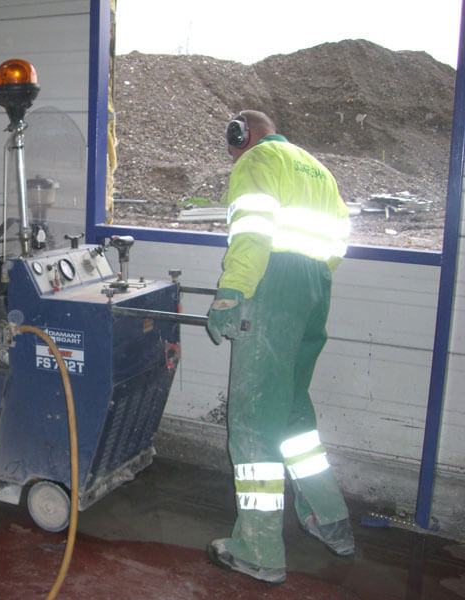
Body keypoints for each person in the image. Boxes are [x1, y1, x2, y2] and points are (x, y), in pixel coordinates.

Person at [205, 110, 354, 584]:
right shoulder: (317, 169)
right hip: (315, 288)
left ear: (241, 134)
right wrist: (309, 279)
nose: (231, 155)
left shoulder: (257, 161)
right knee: (291, 414)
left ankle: (259, 549)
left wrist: (232, 291)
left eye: (232, 146)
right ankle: (330, 520)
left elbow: (251, 234)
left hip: (272, 289)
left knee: (253, 419)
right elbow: (339, 243)